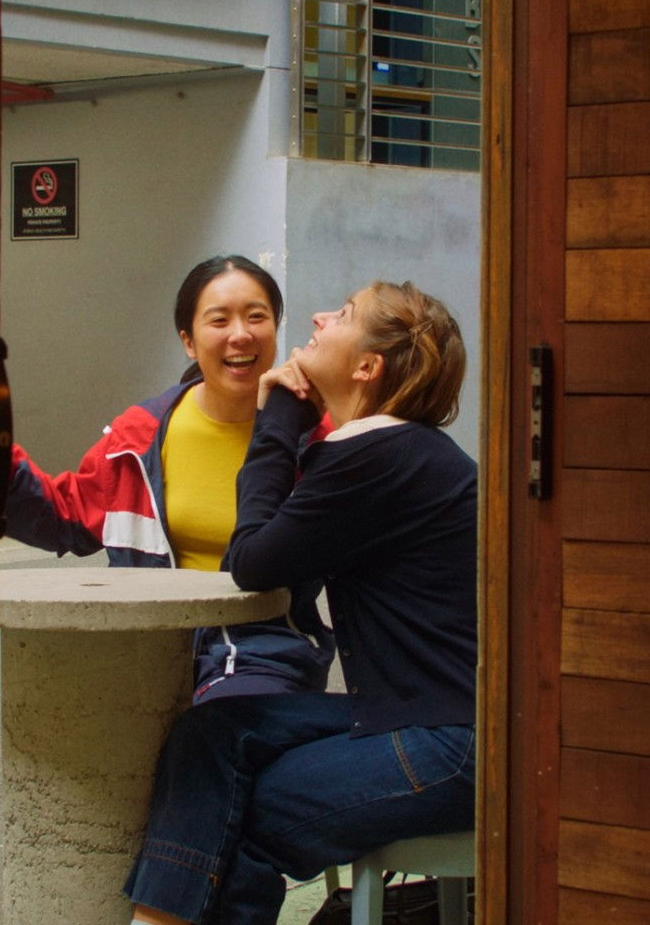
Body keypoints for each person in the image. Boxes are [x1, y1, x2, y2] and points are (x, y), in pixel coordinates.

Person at [124, 281, 477, 925]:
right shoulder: (399, 449)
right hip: (410, 716)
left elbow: (251, 563)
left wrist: (278, 417)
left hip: (452, 745)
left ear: (367, 368)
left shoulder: (374, 453)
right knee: (214, 731)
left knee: (252, 810)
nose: (317, 317)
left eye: (342, 315)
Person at [6, 255, 334, 701]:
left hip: (265, 653)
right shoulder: (138, 436)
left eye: (257, 316)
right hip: (146, 649)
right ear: (188, 341)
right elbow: (67, 515)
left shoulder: (317, 438)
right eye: (219, 320)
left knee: (225, 722)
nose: (241, 333)